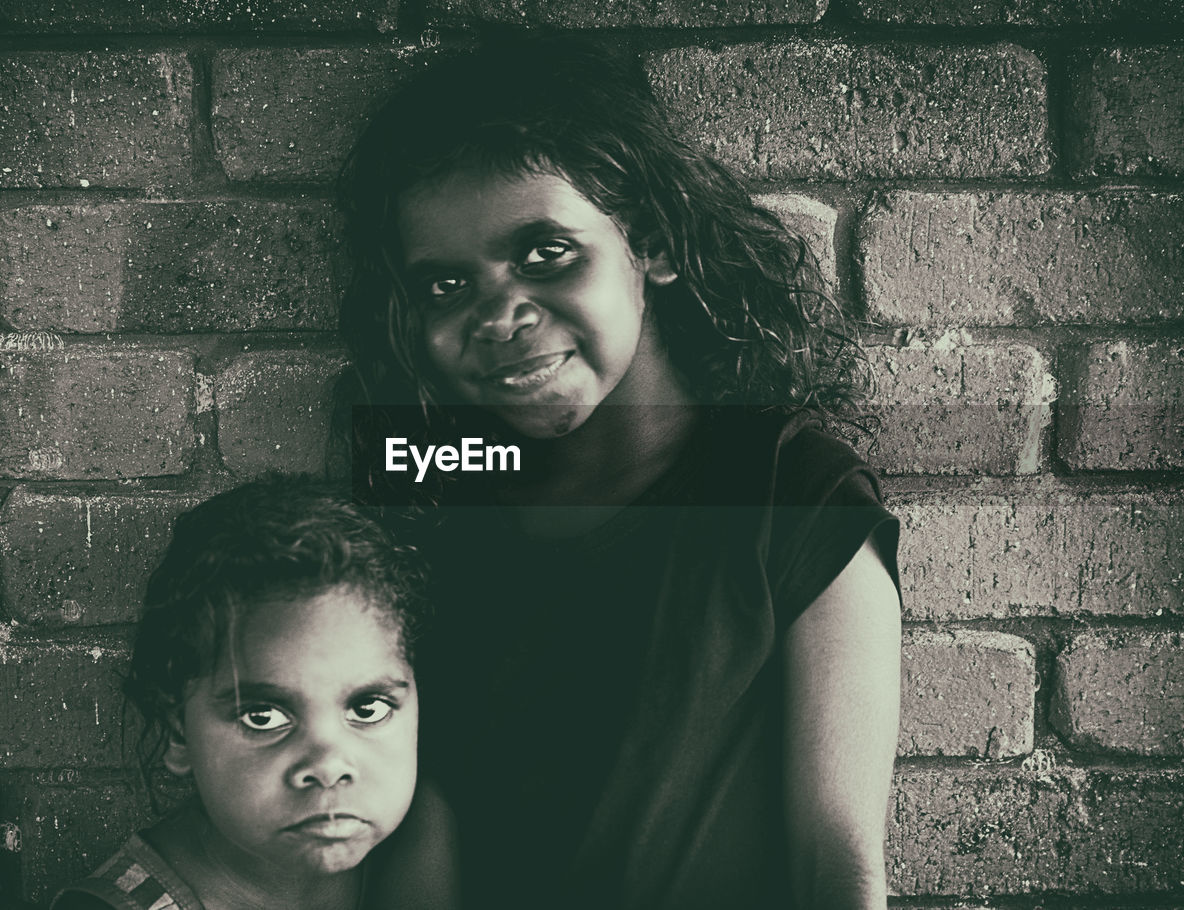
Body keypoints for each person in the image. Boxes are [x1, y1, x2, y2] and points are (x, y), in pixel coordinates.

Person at [338, 37, 901, 910]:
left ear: (652, 245)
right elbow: (426, 818)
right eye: (446, 286)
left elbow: (838, 865)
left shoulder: (789, 489)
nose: (499, 316)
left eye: (545, 253)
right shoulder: (434, 496)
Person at [52, 476, 457, 910]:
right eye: (263, 717)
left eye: (368, 708)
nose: (328, 766)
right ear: (179, 734)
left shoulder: (423, 833)